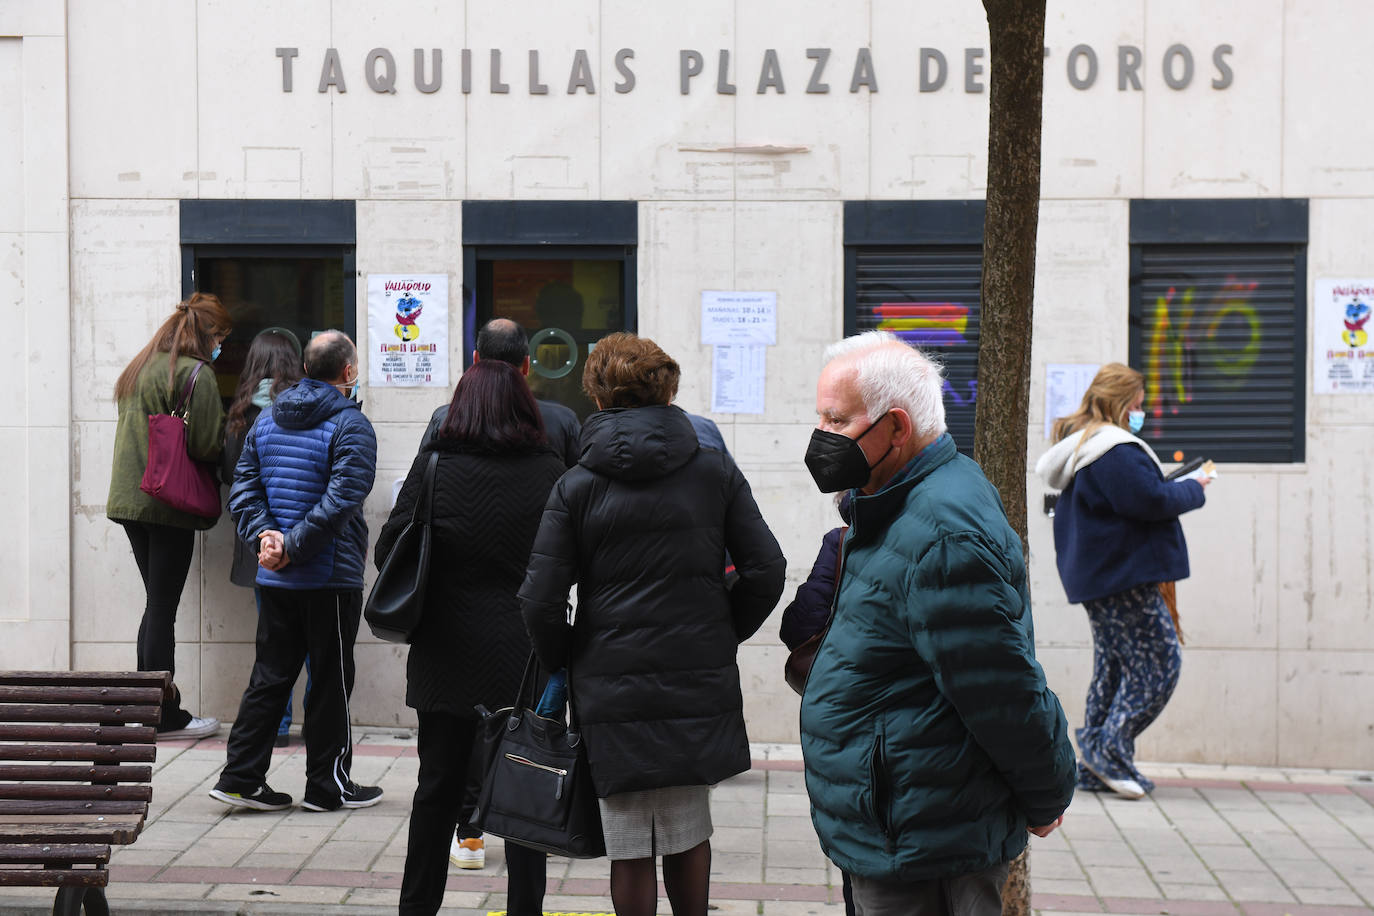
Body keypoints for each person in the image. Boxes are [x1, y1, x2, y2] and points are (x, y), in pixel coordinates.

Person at [799, 331, 1075, 916]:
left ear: (896, 429)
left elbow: (1001, 689)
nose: (821, 436)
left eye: (836, 419)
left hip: (926, 840)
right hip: (901, 823)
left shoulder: (941, 532)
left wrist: (1048, 793)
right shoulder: (896, 502)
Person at [519, 332, 786, 916]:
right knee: (690, 828)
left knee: (629, 843)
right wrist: (721, 630)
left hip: (610, 682)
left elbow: (539, 597)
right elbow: (767, 569)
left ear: (598, 393)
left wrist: (566, 657)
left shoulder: (577, 484)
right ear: (666, 387)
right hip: (695, 676)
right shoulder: (713, 469)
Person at [378, 359, 565, 916]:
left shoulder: (435, 468)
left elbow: (391, 549)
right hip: (524, 652)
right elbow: (566, 563)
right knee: (524, 795)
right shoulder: (551, 470)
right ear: (525, 408)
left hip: (445, 651)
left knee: (436, 787)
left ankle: (417, 907)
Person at [211, 330, 382, 813]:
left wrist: (268, 539)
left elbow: (243, 491)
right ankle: (328, 787)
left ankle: (242, 778)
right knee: (330, 682)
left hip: (277, 576)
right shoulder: (352, 424)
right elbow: (344, 498)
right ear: (347, 372)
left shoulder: (266, 420)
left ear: (306, 369)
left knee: (270, 676)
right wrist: (290, 544)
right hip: (327, 577)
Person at [1034, 362, 1208, 800]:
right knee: (1159, 665)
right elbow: (1149, 500)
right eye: (1137, 405)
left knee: (1113, 667)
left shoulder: (1087, 448)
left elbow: (1134, 499)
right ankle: (1106, 749)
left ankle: (1096, 764)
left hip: (1104, 575)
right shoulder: (1114, 448)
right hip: (1125, 574)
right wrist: (1197, 486)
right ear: (1121, 403)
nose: (1140, 412)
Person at [107, 292, 232, 739]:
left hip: (129, 500)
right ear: (205, 332)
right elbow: (202, 444)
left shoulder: (141, 365)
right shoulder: (196, 373)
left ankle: (148, 704)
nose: (221, 346)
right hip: (166, 502)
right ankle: (164, 714)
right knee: (162, 605)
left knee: (154, 603)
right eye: (220, 336)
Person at [221, 327, 307, 747]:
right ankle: (322, 722)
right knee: (318, 639)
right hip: (305, 540)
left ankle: (278, 725)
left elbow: (232, 480)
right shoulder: (307, 412)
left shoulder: (239, 417)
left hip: (260, 545)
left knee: (273, 639)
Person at [423, 318, 581, 468]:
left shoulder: (444, 418)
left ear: (475, 359)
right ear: (526, 365)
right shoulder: (562, 421)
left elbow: (421, 477)